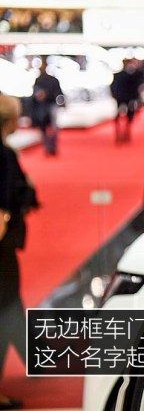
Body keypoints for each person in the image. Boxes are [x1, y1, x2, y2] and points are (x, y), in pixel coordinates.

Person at [0, 95, 39, 410]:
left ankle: (32, 355)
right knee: (6, 304)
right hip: (2, 244)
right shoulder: (3, 155)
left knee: (10, 303)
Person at [31, 58, 63, 156]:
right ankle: (47, 147)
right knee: (43, 126)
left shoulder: (53, 80)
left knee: (54, 127)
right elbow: (34, 94)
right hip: (41, 106)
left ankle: (52, 146)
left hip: (51, 105)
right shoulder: (38, 80)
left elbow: (58, 93)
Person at [111, 59, 143, 143]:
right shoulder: (129, 75)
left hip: (123, 98)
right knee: (126, 116)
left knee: (126, 115)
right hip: (125, 98)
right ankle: (123, 133)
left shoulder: (127, 75)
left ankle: (123, 133)